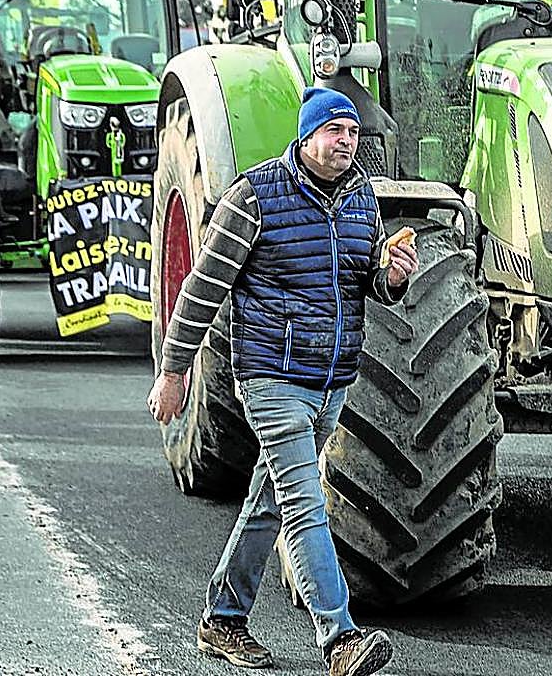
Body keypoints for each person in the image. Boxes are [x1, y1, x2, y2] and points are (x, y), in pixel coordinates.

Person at [148, 87, 419, 676]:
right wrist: (173, 371)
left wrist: (392, 276)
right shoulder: (255, 196)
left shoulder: (361, 199)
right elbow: (203, 287)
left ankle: (223, 617)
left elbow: (362, 284)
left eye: (353, 133)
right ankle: (340, 637)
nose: (347, 142)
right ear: (307, 134)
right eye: (335, 132)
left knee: (269, 500)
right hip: (271, 376)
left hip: (331, 382)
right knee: (303, 503)